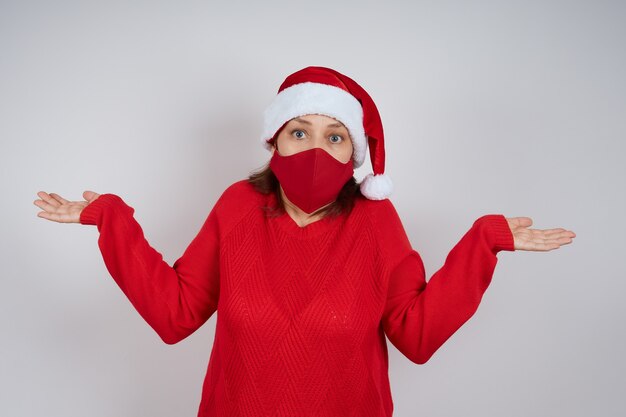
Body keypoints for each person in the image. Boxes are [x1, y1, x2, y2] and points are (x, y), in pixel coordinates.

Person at [33, 66, 576, 417]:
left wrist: (483, 243)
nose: (315, 148)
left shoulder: (376, 222)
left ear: (353, 153)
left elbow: (416, 333)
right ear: (275, 141)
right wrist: (112, 220)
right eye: (300, 132)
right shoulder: (237, 206)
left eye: (333, 136)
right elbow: (176, 312)